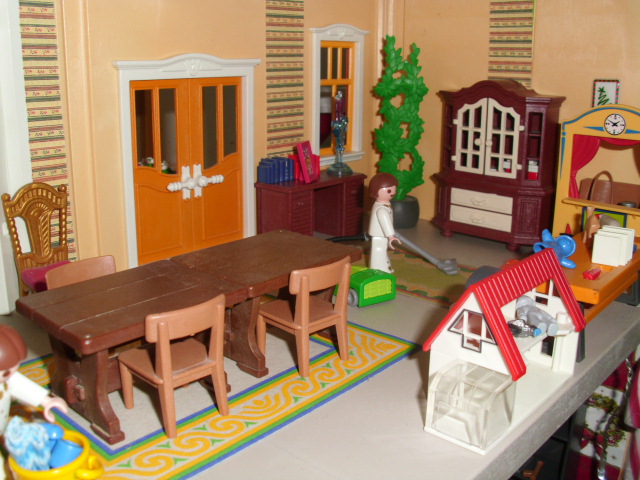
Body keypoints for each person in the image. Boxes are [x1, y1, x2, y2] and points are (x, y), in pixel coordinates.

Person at [368, 173, 402, 273]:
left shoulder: (383, 204)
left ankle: (384, 267)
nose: (393, 193)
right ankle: (379, 270)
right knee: (379, 251)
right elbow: (385, 221)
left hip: (381, 234)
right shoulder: (381, 208)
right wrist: (391, 236)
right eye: (389, 191)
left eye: (394, 190)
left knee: (381, 250)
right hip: (380, 234)